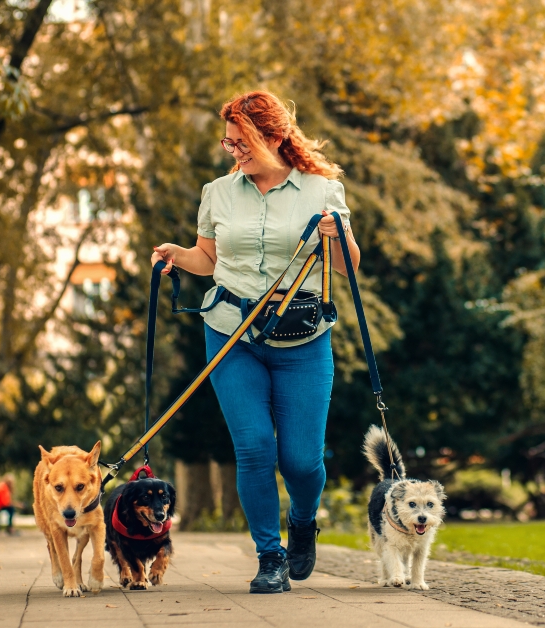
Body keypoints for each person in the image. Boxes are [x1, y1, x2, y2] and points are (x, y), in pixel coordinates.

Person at [150, 90, 360, 594]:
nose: (234, 152)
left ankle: (304, 520)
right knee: (254, 449)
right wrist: (179, 255)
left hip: (303, 340)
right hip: (231, 333)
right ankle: (270, 557)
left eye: (241, 143)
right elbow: (209, 259)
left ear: (273, 137)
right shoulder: (217, 193)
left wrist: (339, 235)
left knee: (303, 462)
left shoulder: (322, 190)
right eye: (229, 144)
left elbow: (348, 267)